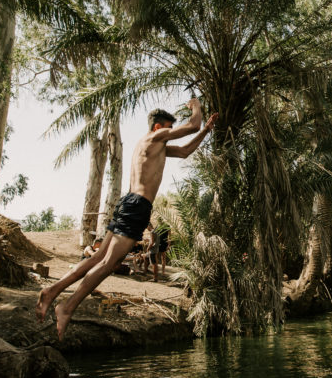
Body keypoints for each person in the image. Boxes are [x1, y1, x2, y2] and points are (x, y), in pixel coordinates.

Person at [36, 99, 217, 338]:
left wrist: (205, 131)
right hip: (137, 206)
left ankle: (51, 292)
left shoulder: (154, 146)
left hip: (129, 202)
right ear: (157, 128)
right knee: (108, 263)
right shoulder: (153, 139)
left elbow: (184, 151)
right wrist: (196, 106)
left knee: (100, 256)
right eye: (168, 128)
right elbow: (191, 125)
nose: (170, 133)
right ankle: (67, 308)